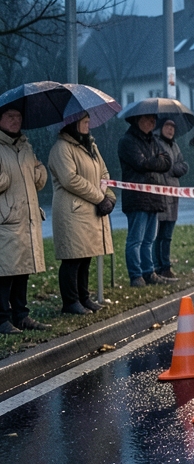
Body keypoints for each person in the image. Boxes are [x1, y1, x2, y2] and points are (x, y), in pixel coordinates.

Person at [48, 114, 114, 315]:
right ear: (73, 124)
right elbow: (70, 180)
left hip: (88, 210)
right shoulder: (61, 148)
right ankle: (70, 301)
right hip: (72, 211)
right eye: (84, 122)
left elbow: (104, 174)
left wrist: (109, 196)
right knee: (72, 257)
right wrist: (100, 197)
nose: (88, 125)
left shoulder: (91, 146)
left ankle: (84, 298)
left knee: (86, 256)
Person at [0, 106, 52, 333]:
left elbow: (39, 176)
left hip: (26, 218)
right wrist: (7, 177)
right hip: (6, 219)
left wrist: (37, 172)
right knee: (4, 272)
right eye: (10, 116)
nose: (16, 120)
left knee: (22, 269)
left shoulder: (25, 146)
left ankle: (21, 315)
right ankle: (2, 318)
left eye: (19, 116)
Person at [118, 113, 171, 286]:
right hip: (137, 197)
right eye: (148, 118)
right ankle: (136, 275)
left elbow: (167, 162)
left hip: (153, 197)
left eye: (154, 119)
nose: (153, 122)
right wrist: (156, 160)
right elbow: (141, 163)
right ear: (137, 119)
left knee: (149, 239)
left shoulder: (153, 141)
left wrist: (154, 161)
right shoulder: (127, 141)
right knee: (136, 240)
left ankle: (149, 272)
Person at [154, 118, 189, 281]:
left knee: (168, 234)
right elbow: (161, 165)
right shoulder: (156, 143)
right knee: (158, 233)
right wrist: (172, 168)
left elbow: (182, 165)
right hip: (160, 192)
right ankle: (158, 266)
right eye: (167, 126)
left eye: (173, 127)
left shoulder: (175, 146)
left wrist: (175, 168)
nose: (170, 129)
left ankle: (166, 266)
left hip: (173, 192)